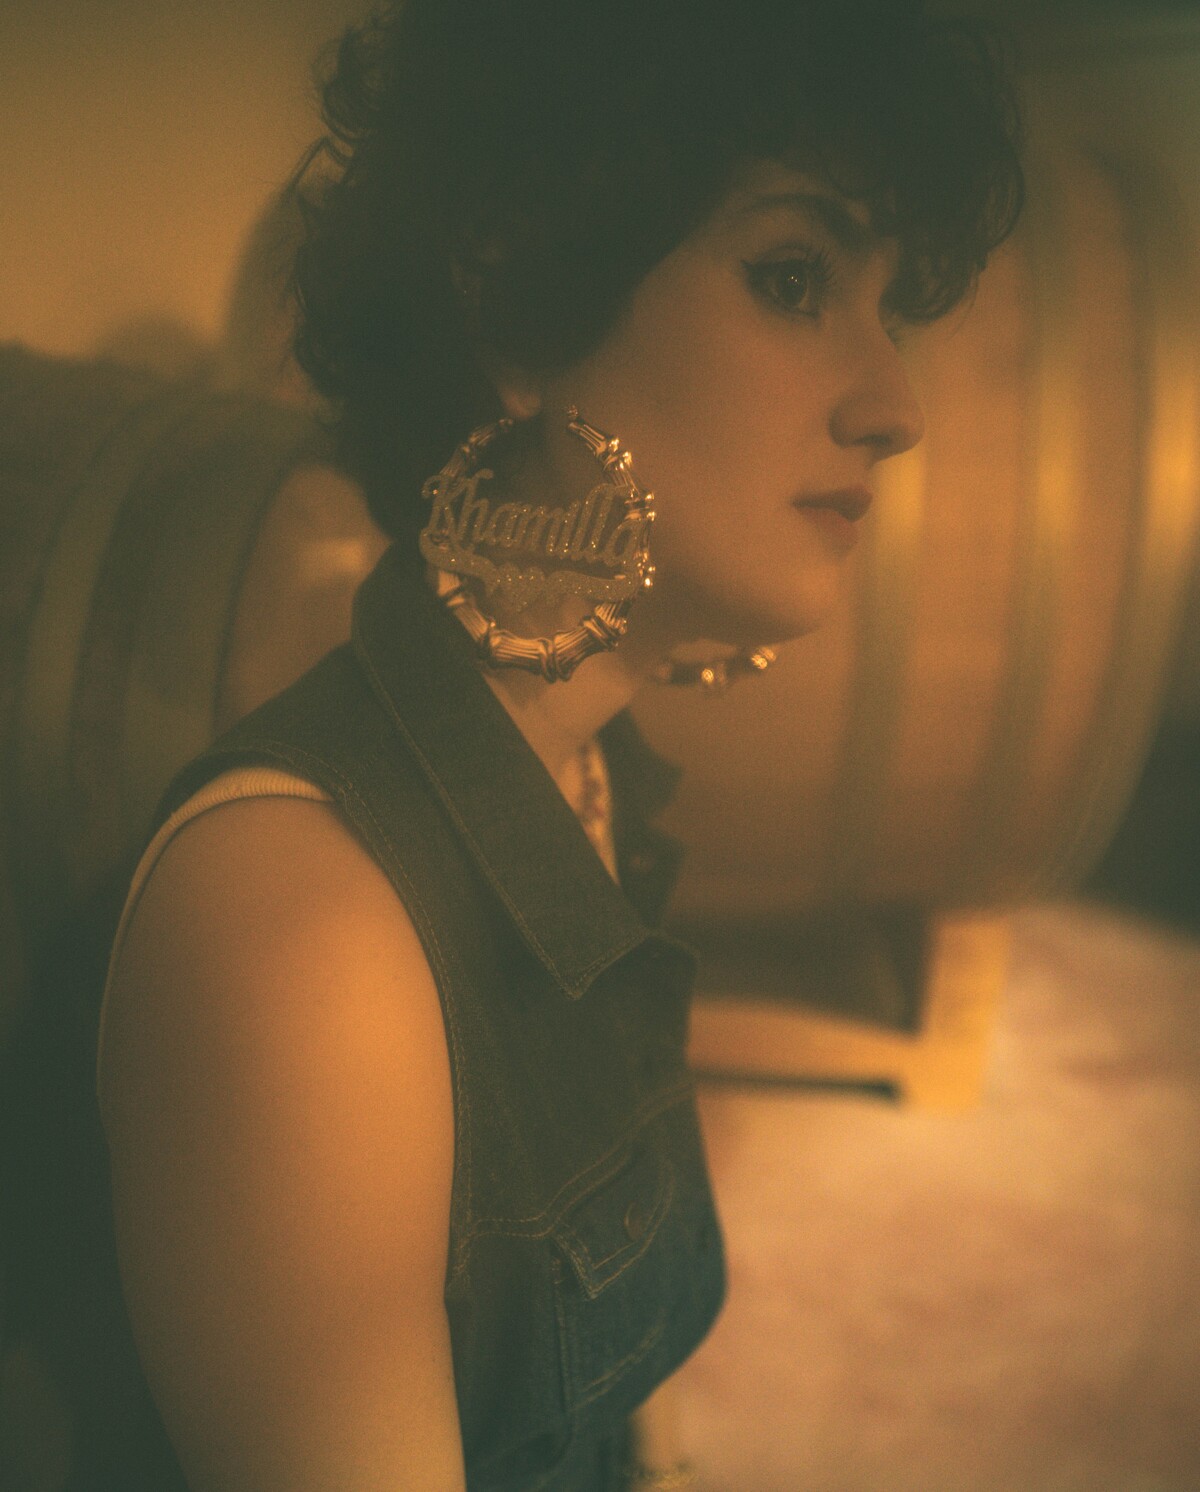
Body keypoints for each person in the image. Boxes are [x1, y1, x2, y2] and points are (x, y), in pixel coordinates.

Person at [96, 1, 1024, 1488]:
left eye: (889, 310)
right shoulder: (310, 940)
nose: (896, 405)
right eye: (793, 278)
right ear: (524, 305)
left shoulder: (590, 769)